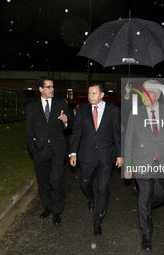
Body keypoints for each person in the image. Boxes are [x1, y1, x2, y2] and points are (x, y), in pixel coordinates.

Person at [124, 79, 164, 251]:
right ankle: (147, 234)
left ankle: (146, 207)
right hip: (142, 162)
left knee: (163, 195)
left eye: (150, 91)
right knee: (145, 197)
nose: (146, 94)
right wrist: (128, 166)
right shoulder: (135, 114)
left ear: (157, 95)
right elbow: (128, 142)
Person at [69, 82, 122, 237]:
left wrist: (120, 154)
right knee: (84, 183)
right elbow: (76, 132)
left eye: (93, 93)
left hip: (106, 155)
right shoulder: (83, 110)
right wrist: (73, 152)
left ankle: (98, 220)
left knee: (104, 188)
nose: (90, 96)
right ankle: (90, 197)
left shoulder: (113, 110)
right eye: (89, 93)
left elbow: (117, 134)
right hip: (87, 154)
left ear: (102, 95)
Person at [26, 76, 71, 226]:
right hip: (40, 150)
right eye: (48, 87)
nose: (52, 89)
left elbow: (71, 125)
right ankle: (48, 206)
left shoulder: (61, 103)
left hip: (57, 149)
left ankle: (57, 211)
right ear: (40, 89)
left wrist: (66, 121)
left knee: (56, 179)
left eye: (52, 87)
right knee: (43, 181)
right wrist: (32, 147)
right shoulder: (32, 106)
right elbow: (29, 130)